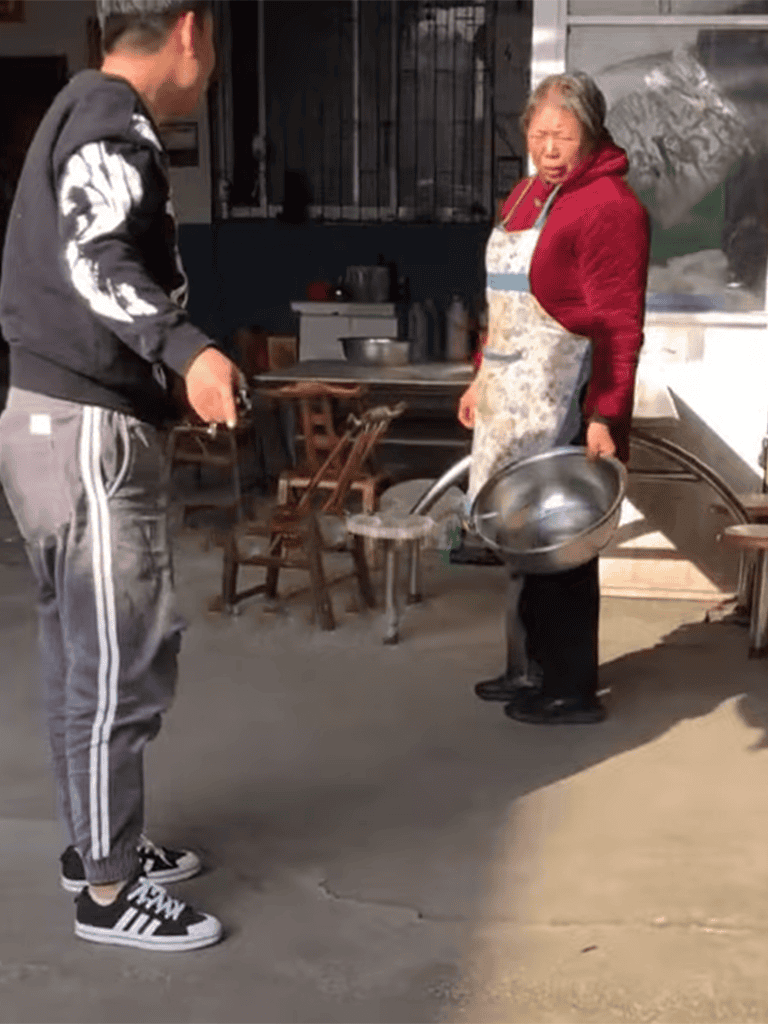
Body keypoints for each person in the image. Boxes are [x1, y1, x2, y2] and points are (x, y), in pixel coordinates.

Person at [0, 0, 242, 950]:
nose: (211, 65)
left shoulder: (76, 105)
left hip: (49, 419)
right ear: (189, 29)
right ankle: (108, 893)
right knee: (117, 663)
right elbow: (96, 259)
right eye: (213, 43)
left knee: (79, 653)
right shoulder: (113, 119)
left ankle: (98, 847)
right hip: (86, 432)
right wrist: (186, 350)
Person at [458, 72, 650, 726]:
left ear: (589, 135)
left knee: (561, 543)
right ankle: (530, 668)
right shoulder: (527, 195)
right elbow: (505, 308)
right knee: (519, 537)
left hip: (564, 398)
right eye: (538, 134)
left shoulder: (608, 207)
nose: (548, 146)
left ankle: (569, 687)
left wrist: (605, 414)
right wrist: (481, 377)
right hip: (511, 395)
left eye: (562, 136)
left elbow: (619, 326)